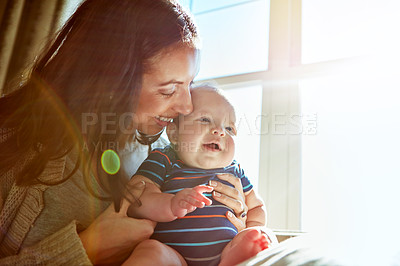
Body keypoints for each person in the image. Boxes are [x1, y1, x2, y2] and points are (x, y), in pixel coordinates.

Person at [0, 1, 250, 264]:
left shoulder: (169, 155)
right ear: (110, 78)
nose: (186, 106)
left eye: (189, 84)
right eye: (168, 90)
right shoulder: (9, 145)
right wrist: (85, 249)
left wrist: (234, 226)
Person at [126, 85, 277, 265]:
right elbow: (136, 196)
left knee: (264, 235)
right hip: (174, 257)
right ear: (174, 134)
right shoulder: (164, 158)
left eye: (229, 128)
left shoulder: (234, 170)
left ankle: (240, 257)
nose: (220, 131)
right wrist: (170, 204)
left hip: (226, 252)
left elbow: (256, 207)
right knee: (151, 251)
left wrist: (248, 231)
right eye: (205, 119)